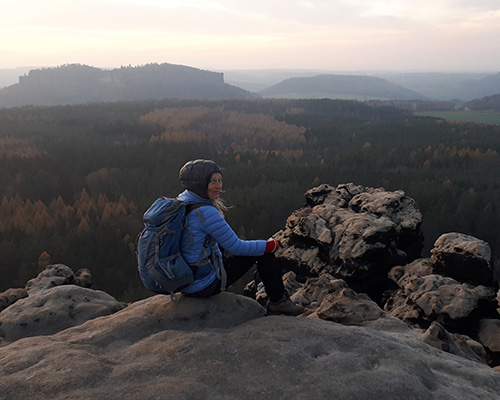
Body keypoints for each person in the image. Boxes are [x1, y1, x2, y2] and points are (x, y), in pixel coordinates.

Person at [177, 159, 304, 316]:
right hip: (202, 285)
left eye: (219, 180)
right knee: (263, 252)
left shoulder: (182, 201)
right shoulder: (205, 213)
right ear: (198, 184)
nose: (219, 186)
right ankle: (279, 302)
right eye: (212, 181)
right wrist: (270, 245)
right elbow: (237, 247)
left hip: (184, 281)